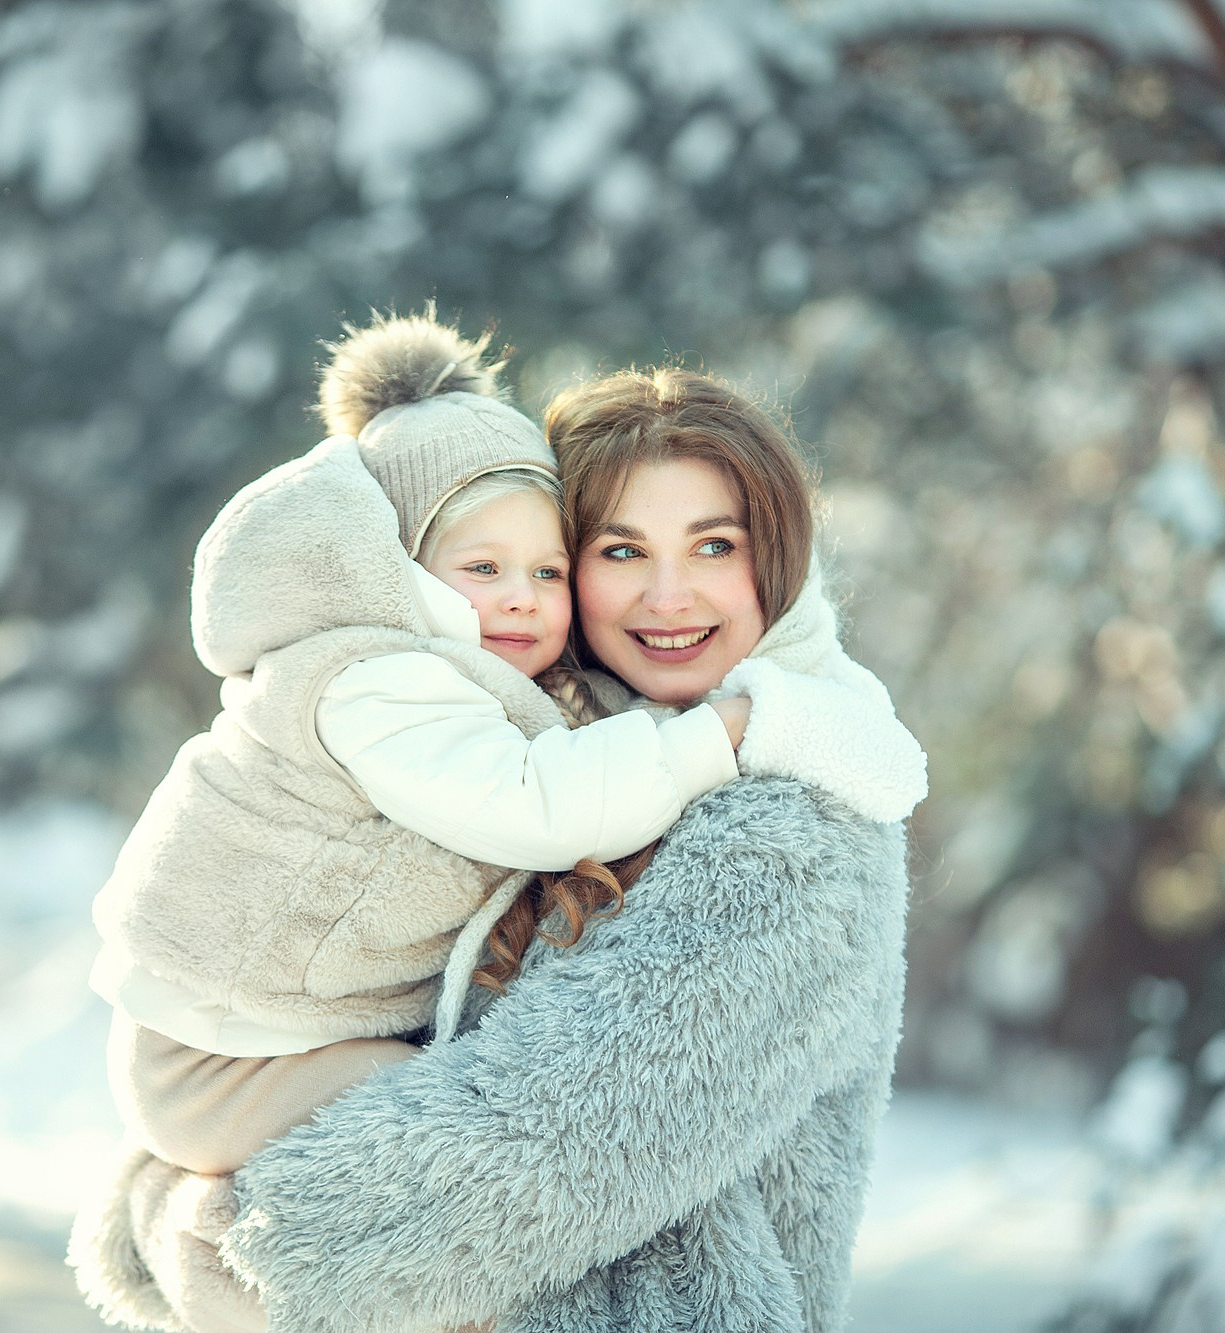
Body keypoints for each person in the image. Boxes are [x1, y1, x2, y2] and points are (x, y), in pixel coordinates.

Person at [73, 354, 926, 1331]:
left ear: (773, 554)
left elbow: (539, 1155)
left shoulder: (787, 823)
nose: (665, 595)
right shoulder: (547, 745)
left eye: (711, 545)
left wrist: (194, 1231)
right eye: (616, 550)